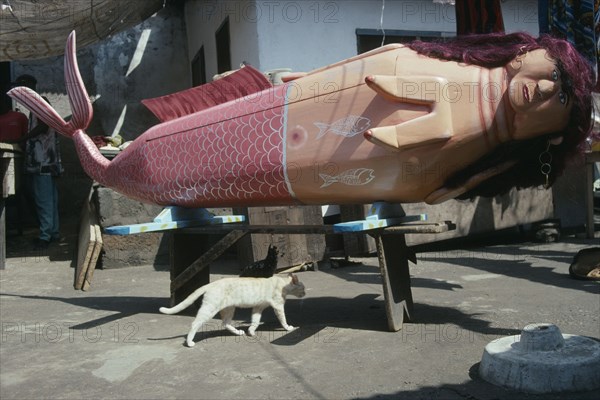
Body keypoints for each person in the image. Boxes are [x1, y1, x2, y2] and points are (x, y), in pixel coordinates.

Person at [8, 31, 595, 209]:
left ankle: (88, 148)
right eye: (552, 76)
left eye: (558, 99)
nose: (544, 89)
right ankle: (86, 146)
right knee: (174, 153)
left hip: (308, 165)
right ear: (524, 52)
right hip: (282, 131)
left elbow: (434, 174)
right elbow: (379, 77)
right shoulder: (445, 68)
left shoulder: (479, 142)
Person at [13, 74, 62, 250]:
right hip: (45, 160)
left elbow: (43, 126)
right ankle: (53, 233)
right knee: (50, 199)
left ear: (28, 87)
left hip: (42, 161)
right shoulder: (37, 104)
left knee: (43, 200)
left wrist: (23, 138)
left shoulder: (40, 102)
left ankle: (45, 236)